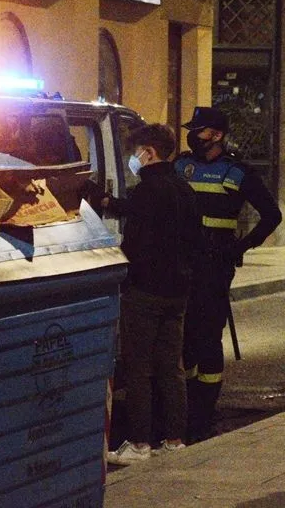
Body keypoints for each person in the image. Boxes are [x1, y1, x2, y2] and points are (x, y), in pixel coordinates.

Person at [175, 107, 282, 443]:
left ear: (217, 135)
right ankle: (187, 406)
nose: (194, 135)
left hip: (214, 267)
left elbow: (271, 215)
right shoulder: (180, 165)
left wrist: (241, 247)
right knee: (185, 340)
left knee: (207, 339)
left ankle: (204, 414)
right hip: (181, 263)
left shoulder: (237, 171)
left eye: (200, 130)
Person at [99, 124, 200, 465]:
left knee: (139, 367)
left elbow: (136, 241)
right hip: (177, 292)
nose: (134, 158)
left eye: (137, 151)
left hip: (145, 291)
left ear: (149, 152)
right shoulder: (185, 190)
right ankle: (174, 439)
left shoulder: (146, 191)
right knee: (171, 368)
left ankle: (140, 442)